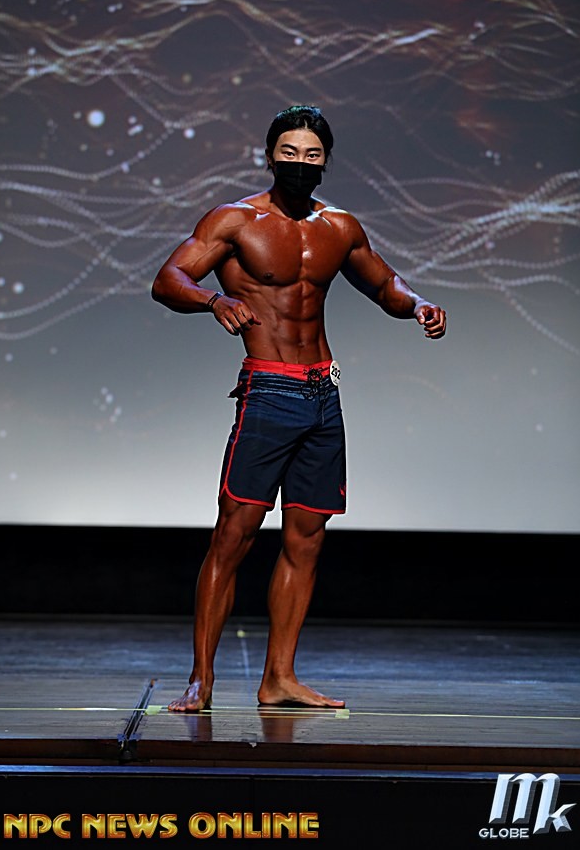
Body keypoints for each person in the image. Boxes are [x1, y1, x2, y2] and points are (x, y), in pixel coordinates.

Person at [151, 105, 446, 712]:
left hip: (322, 395)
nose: (300, 163)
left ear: (325, 161)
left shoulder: (339, 227)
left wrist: (418, 304)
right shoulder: (235, 220)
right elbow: (168, 279)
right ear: (270, 155)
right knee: (233, 537)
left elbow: (384, 284)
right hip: (268, 392)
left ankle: (279, 678)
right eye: (290, 152)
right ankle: (201, 681)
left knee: (306, 541)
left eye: (312, 154)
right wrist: (213, 302)